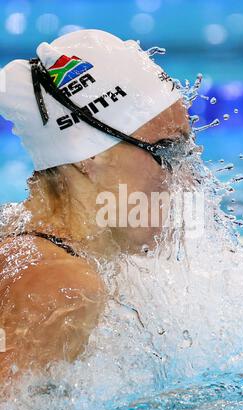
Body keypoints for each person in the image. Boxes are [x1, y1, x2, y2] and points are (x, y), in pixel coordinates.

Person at [0, 29, 190, 388]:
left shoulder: (30, 242)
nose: (187, 180)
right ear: (92, 156)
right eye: (167, 152)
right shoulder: (59, 284)